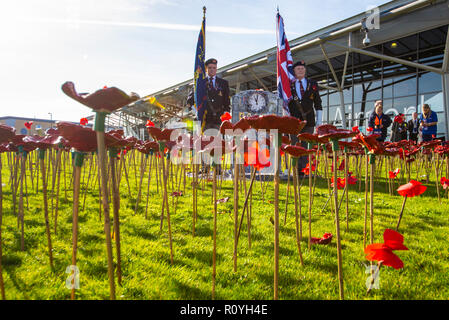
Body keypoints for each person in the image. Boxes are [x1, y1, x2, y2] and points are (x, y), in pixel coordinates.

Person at [287, 60, 322, 175]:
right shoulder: (289, 85)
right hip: (294, 121)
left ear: (305, 70)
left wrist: (319, 121)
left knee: (306, 146)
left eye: (302, 68)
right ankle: (296, 170)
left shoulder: (312, 84)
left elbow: (318, 103)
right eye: (298, 69)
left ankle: (305, 170)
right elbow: (285, 103)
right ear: (294, 71)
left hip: (309, 120)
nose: (301, 70)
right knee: (295, 145)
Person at [187, 58, 230, 131]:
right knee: (203, 141)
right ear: (206, 69)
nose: (212, 70)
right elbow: (189, 100)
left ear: (216, 69)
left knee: (219, 141)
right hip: (204, 119)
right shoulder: (200, 83)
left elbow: (226, 100)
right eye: (209, 68)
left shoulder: (223, 83)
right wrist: (196, 111)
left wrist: (226, 113)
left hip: (218, 119)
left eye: (214, 68)